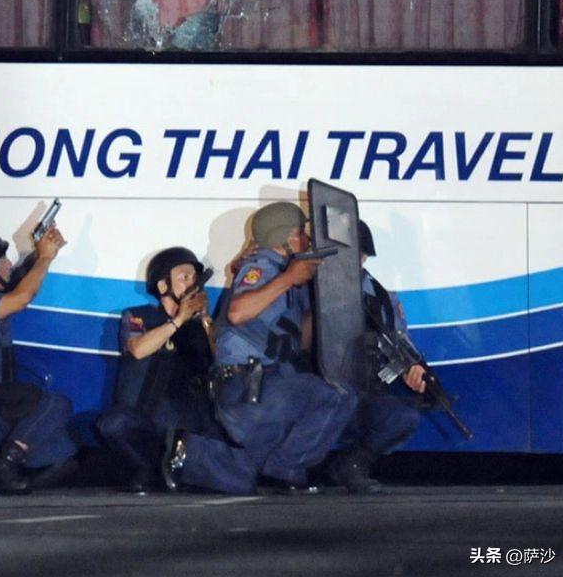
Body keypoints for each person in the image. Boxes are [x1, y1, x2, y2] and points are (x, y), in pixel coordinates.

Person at [209, 202, 358, 493]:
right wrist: (289, 278)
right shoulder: (261, 267)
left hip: (269, 383)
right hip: (245, 386)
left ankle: (273, 468)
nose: (307, 239)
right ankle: (285, 469)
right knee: (336, 396)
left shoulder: (286, 277)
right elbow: (237, 312)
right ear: (283, 237)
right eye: (301, 232)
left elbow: (300, 342)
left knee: (250, 466)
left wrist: (322, 299)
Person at [97, 247, 257, 495]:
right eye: (184, 277)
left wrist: (204, 320)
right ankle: (152, 468)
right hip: (146, 417)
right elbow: (137, 349)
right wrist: (178, 320)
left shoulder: (201, 326)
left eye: (194, 278)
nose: (192, 283)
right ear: (163, 286)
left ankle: (183, 467)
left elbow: (222, 360)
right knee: (113, 424)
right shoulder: (139, 316)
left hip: (188, 419)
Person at [0, 226, 77, 495]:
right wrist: (45, 258)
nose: (9, 264)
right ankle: (0, 470)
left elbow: (18, 283)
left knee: (63, 455)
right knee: (56, 405)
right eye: (2, 261)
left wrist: (39, 251)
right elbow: (22, 297)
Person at [329, 219, 425, 489]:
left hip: (360, 389)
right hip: (320, 388)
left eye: (359, 255)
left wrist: (412, 368)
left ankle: (352, 463)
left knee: (403, 416)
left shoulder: (380, 296)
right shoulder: (310, 286)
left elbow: (399, 341)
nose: (355, 262)